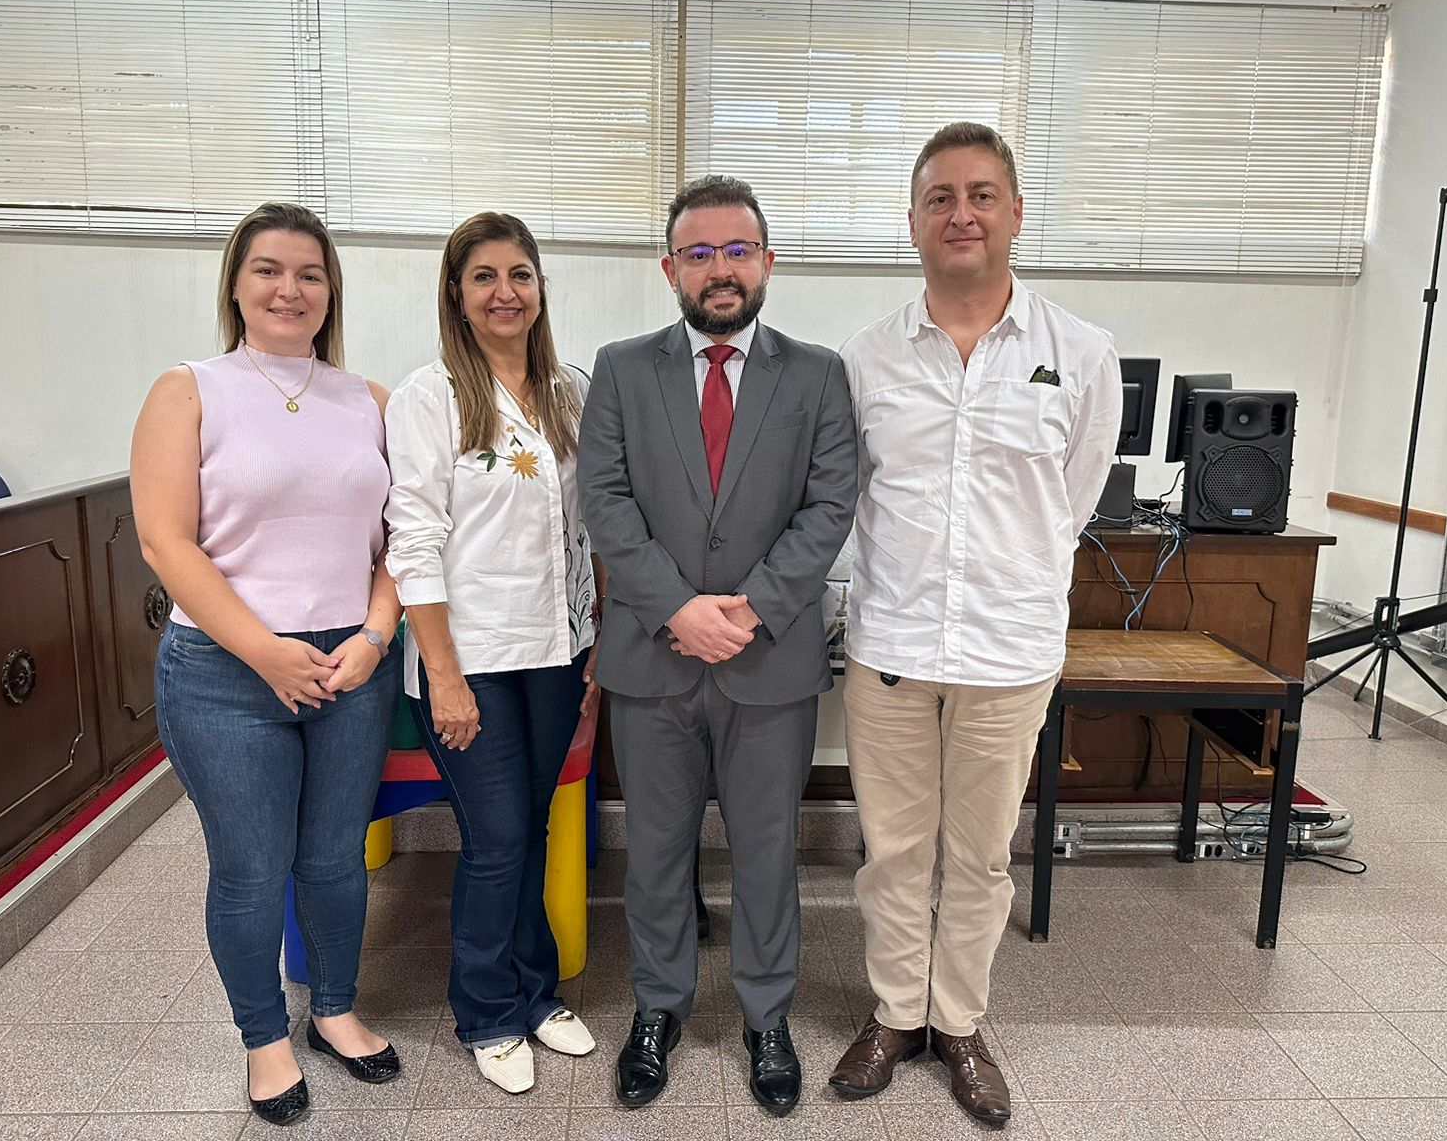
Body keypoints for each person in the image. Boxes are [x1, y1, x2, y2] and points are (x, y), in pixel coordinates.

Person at [828, 122, 1122, 1125]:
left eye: (982, 194)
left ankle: (958, 1021)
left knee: (981, 854)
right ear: (912, 223)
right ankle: (894, 1013)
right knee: (893, 849)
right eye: (940, 196)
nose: (962, 212)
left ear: (1014, 214)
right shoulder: (864, 360)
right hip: (892, 646)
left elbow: (1071, 501)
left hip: (1009, 649)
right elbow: (853, 500)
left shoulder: (1080, 354)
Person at [578, 175, 858, 1117]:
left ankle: (766, 1017)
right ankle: (656, 1009)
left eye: (738, 250)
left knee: (768, 848)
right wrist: (676, 609)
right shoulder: (620, 369)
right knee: (655, 850)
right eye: (698, 253)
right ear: (670, 270)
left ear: (768, 262)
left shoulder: (817, 374)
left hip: (767, 658)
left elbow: (830, 506)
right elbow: (605, 504)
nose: (720, 269)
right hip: (654, 658)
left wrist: (751, 609)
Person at [133, 202, 403, 1128]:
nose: (290, 289)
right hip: (225, 672)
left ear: (331, 293)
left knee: (335, 860)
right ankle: (264, 1038)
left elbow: (405, 542)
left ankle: (333, 1009)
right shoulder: (190, 388)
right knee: (251, 869)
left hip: (351, 669)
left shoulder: (369, 400)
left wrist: (370, 639)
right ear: (237, 284)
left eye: (310, 274)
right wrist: (265, 651)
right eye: (268, 270)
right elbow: (167, 543)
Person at [384, 212, 599, 1095]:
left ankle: (536, 992)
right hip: (466, 656)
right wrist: (443, 675)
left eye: (520, 273)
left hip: (557, 650)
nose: (504, 291)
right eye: (484, 276)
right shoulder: (428, 396)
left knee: (532, 827)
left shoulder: (571, 390)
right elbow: (413, 541)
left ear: (540, 287)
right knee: (497, 837)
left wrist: (598, 646)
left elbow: (595, 528)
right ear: (456, 293)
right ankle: (487, 1011)